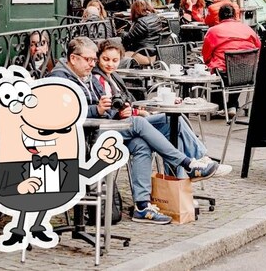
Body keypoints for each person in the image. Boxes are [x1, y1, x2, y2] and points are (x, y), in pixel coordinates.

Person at [49, 37, 229, 225]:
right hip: (84, 137)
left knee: (142, 143)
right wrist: (99, 110)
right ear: (73, 58)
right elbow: (63, 113)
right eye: (89, 60)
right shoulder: (60, 79)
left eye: (94, 60)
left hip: (104, 127)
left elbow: (105, 104)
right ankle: (187, 163)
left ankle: (142, 207)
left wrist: (118, 110)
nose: (92, 64)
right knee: (138, 124)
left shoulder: (85, 76)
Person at [201, 4, 262, 117]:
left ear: (219, 17)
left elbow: (206, 53)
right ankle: (232, 105)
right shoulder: (247, 29)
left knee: (214, 71)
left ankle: (221, 105)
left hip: (224, 71)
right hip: (247, 70)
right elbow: (258, 47)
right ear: (235, 16)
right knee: (237, 70)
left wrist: (208, 63)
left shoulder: (213, 31)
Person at [121, 0, 165, 65]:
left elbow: (127, 40)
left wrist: (122, 33)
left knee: (119, 57)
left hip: (144, 55)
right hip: (155, 53)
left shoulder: (141, 22)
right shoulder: (156, 18)